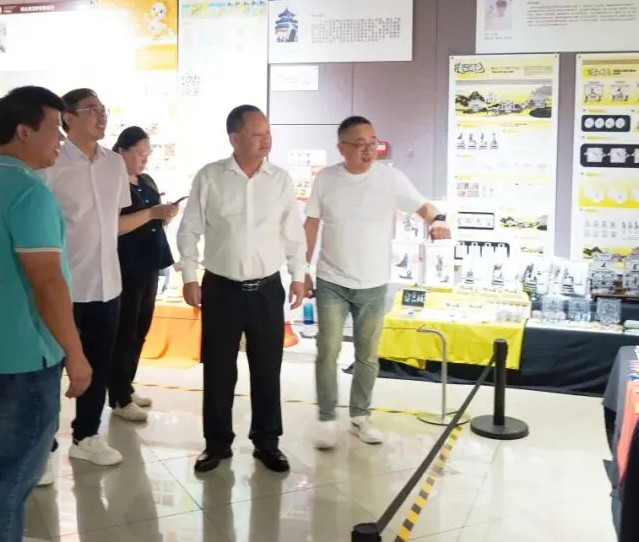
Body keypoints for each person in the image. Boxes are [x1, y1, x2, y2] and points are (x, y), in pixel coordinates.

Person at [0, 86, 91, 542]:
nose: (61, 138)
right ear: (23, 131)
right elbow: (47, 283)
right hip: (25, 356)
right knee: (16, 472)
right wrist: (75, 354)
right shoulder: (28, 192)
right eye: (55, 128)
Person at [304, 116, 451, 450]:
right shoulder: (326, 179)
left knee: (367, 354)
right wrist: (302, 269)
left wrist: (438, 221)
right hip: (331, 279)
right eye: (360, 144)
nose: (369, 150)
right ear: (342, 148)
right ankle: (326, 417)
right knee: (327, 350)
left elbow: (423, 207)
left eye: (373, 143)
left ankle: (360, 415)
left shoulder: (390, 178)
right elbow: (310, 225)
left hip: (372, 283)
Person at [177, 105, 306, 474]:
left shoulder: (280, 180)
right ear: (234, 138)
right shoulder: (210, 177)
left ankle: (267, 442)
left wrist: (299, 274)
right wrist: (188, 275)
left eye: (268, 132)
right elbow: (190, 228)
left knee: (267, 369)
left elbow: (292, 232)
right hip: (221, 289)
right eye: (257, 134)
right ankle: (217, 443)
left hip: (267, 289)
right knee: (218, 370)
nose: (266, 140)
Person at [39, 88, 130, 466]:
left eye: (102, 108)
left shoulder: (115, 164)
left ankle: (87, 435)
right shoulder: (51, 163)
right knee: (50, 368)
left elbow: (114, 220)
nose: (101, 115)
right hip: (64, 284)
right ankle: (42, 446)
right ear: (68, 117)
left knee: (98, 364)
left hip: (108, 283)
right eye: (91, 109)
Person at [110, 127, 180, 421]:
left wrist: (165, 214)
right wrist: (152, 214)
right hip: (125, 265)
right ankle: (118, 395)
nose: (144, 159)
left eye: (147, 154)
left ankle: (126, 384)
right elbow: (114, 225)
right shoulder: (112, 182)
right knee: (124, 331)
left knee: (141, 329)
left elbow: (153, 217)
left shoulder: (146, 180)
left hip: (151, 261)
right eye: (140, 153)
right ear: (122, 151)